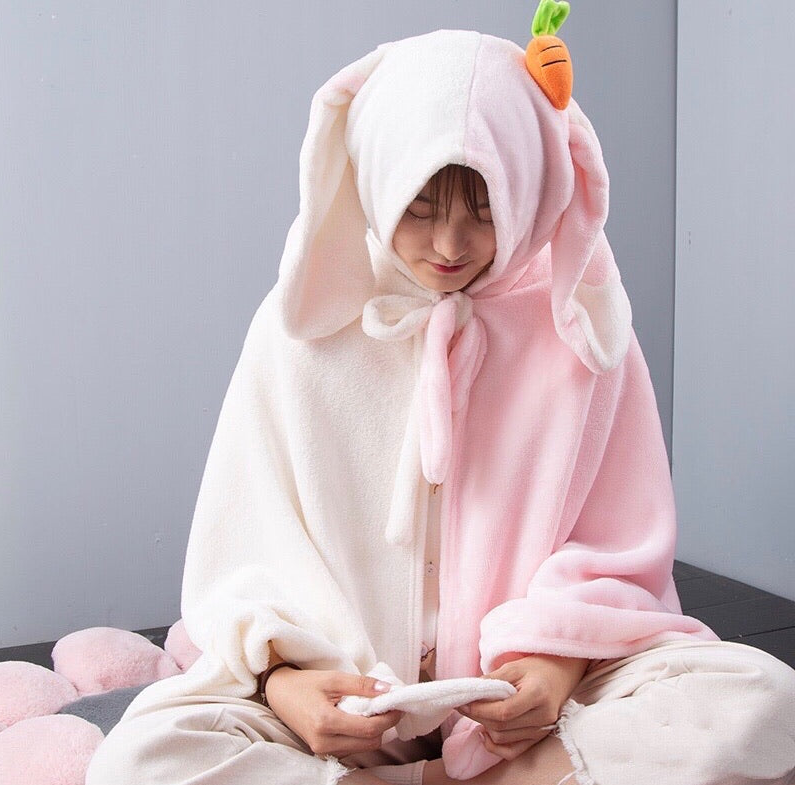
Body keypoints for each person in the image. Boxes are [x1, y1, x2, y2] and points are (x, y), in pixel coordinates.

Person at [85, 19, 795, 785]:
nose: (450, 243)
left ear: (528, 188)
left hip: (528, 711)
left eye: (484, 210)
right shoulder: (302, 324)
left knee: (763, 701)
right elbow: (246, 551)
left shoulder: (582, 326)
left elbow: (617, 543)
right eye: (420, 207)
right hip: (340, 711)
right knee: (139, 759)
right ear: (378, 176)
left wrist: (554, 665)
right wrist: (286, 684)